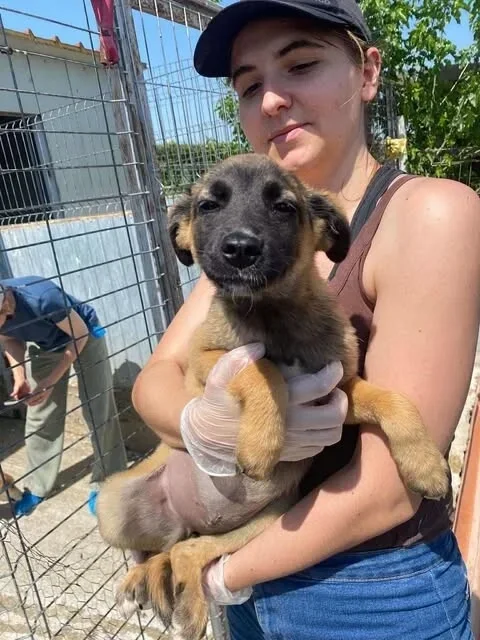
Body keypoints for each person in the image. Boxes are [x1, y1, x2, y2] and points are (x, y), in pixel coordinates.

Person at [132, 0, 480, 637]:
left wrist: (221, 573)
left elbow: (390, 487)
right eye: (249, 86)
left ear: (368, 72)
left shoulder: (430, 213)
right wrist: (203, 424)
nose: (271, 100)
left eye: (300, 65)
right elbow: (152, 382)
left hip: (368, 595)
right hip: (250, 585)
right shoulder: (245, 252)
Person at [0, 276, 127, 517]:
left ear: (5, 306)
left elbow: (79, 335)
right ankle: (37, 486)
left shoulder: (43, 298)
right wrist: (20, 376)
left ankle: (107, 479)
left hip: (84, 336)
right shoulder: (2, 314)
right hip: (45, 343)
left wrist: (50, 381)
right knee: (39, 414)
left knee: (98, 408)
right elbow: (9, 339)